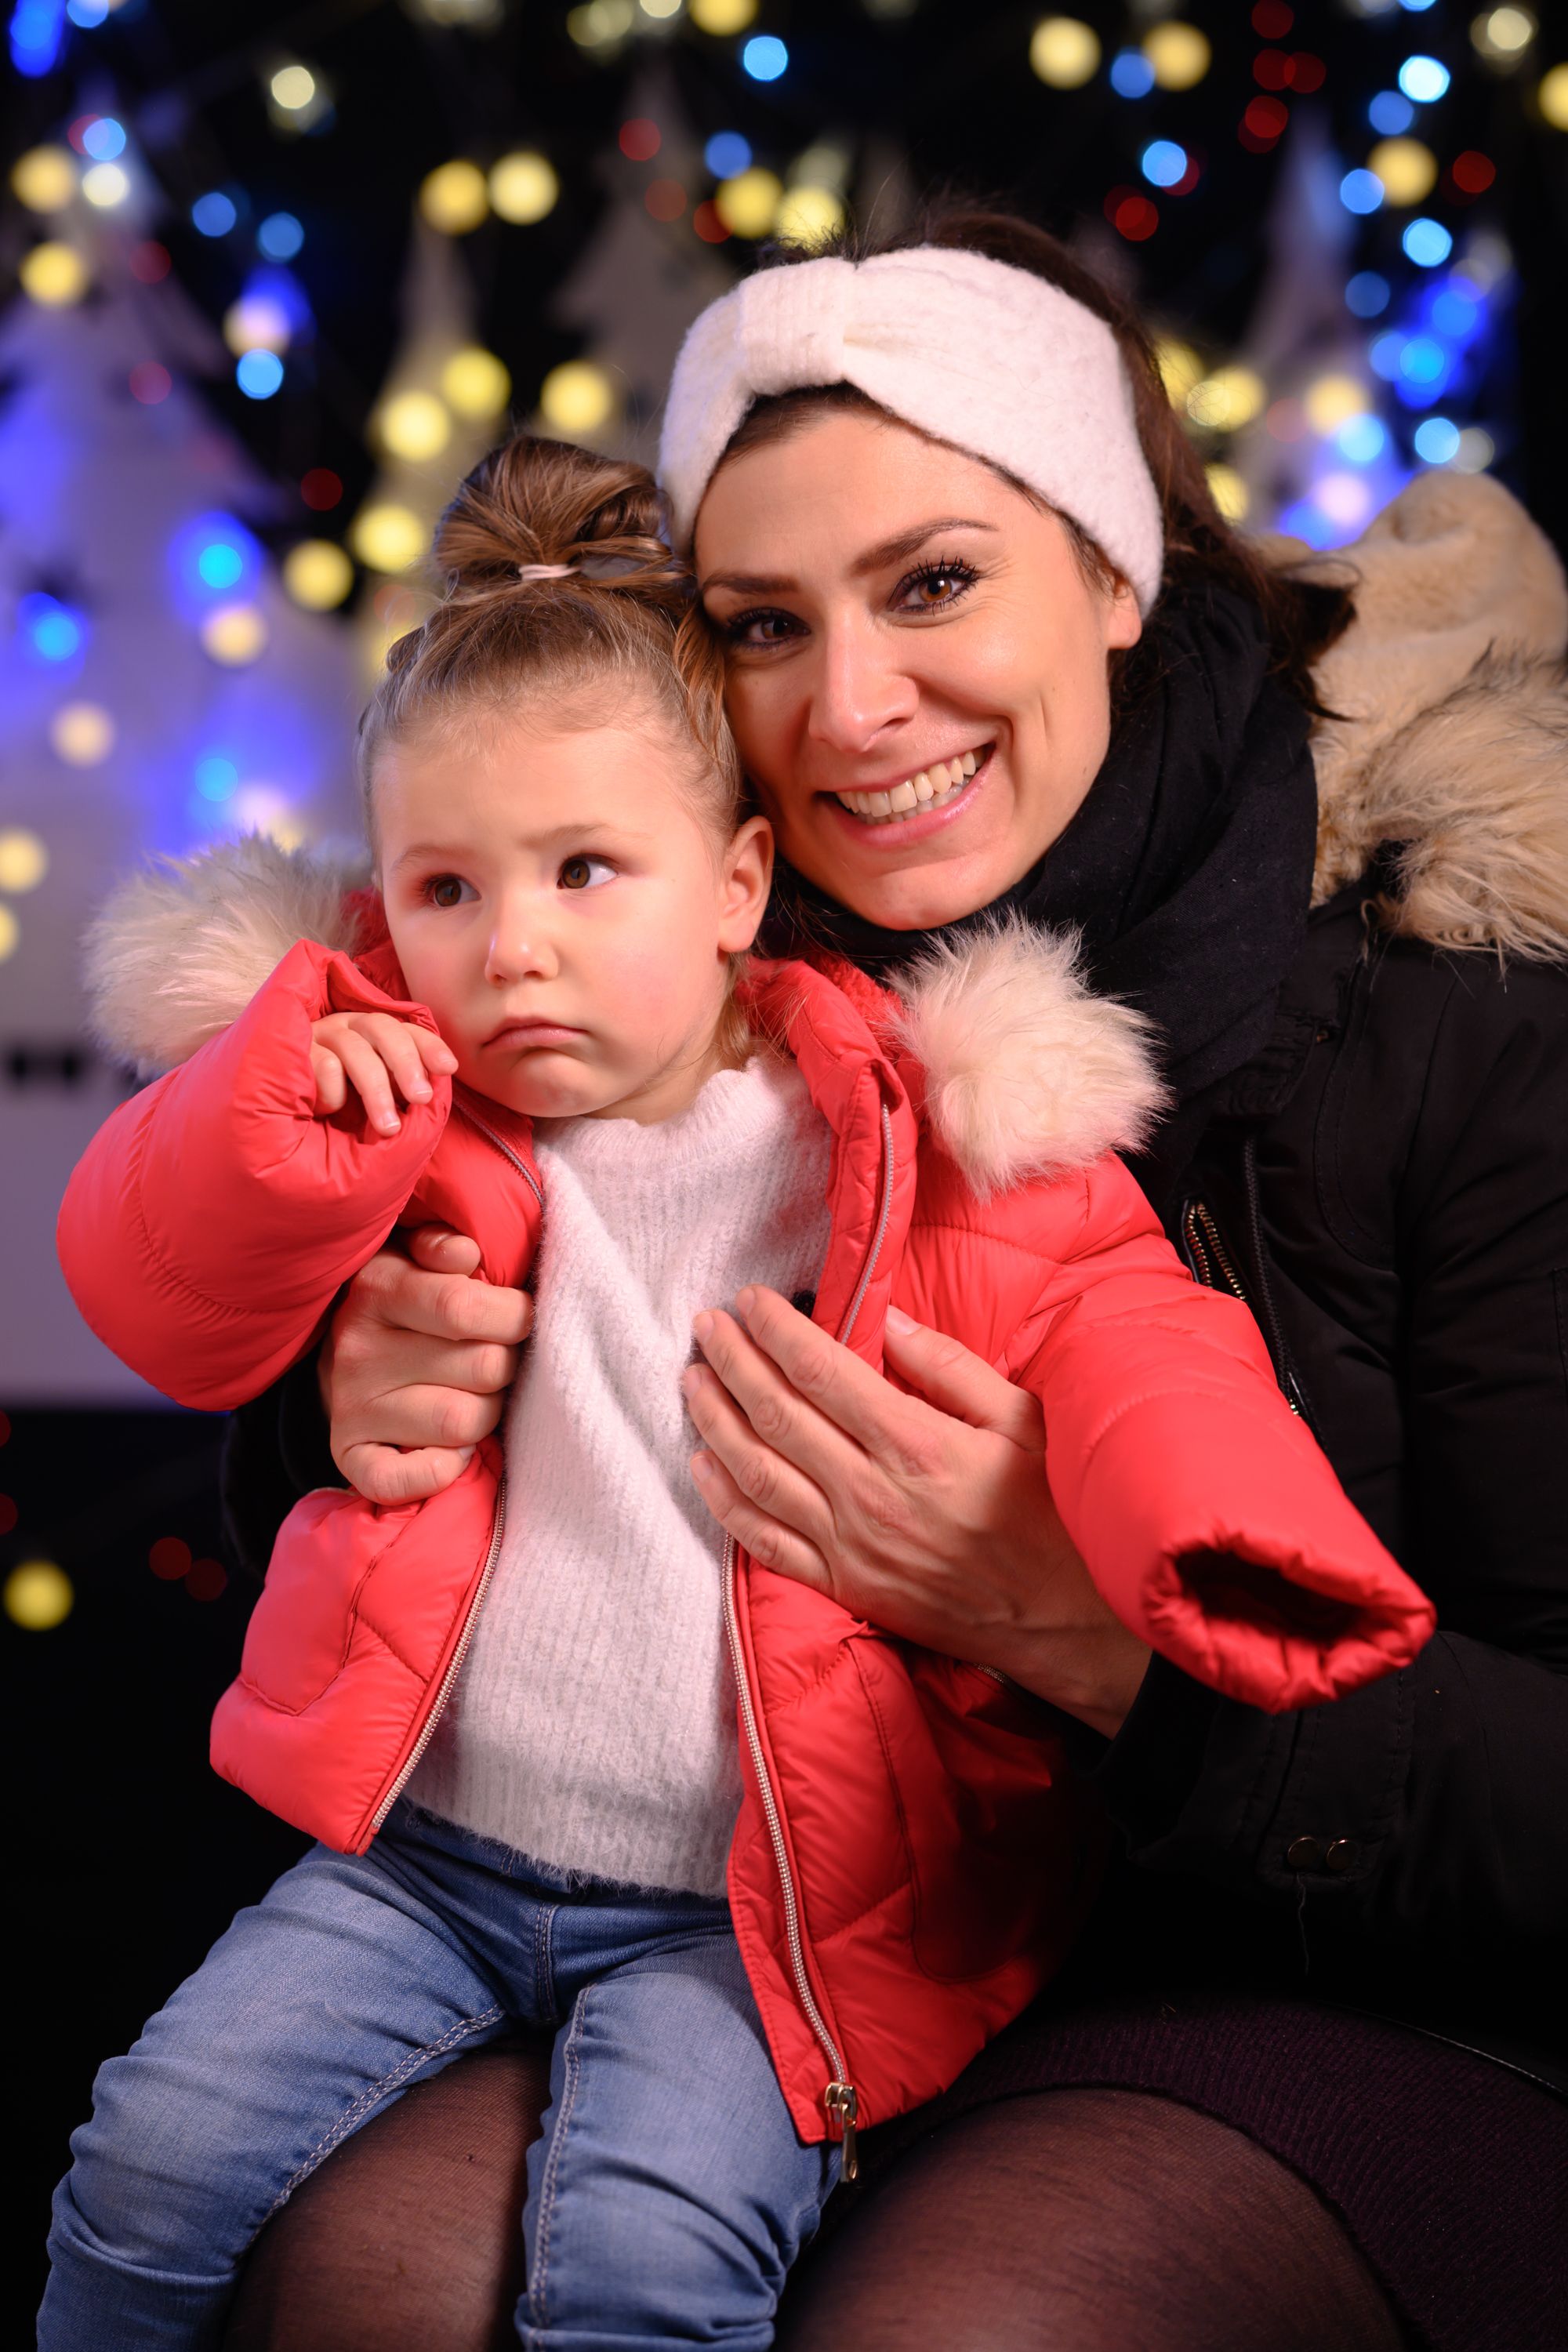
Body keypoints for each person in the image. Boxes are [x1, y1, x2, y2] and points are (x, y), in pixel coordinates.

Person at [78, 214, 1568, 2351]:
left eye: (936, 582)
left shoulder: (1454, 1000)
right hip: (783, 1894)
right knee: (369, 2270)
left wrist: (1092, 1641)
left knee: (970, 2322)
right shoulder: (648, 942)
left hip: (1336, 1973)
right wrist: (352, 1396)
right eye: (766, 622)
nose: (855, 707)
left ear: (1120, 571)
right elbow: (464, 1444)